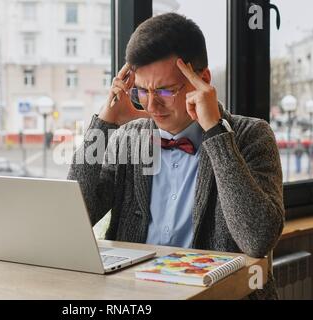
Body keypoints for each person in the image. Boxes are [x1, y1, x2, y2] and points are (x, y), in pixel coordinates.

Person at [68, 13, 284, 299]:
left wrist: (215, 133)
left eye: (166, 90)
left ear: (202, 80)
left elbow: (257, 239)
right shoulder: (129, 138)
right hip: (134, 297)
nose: (152, 104)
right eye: (142, 91)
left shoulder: (251, 135)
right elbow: (76, 217)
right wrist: (103, 124)